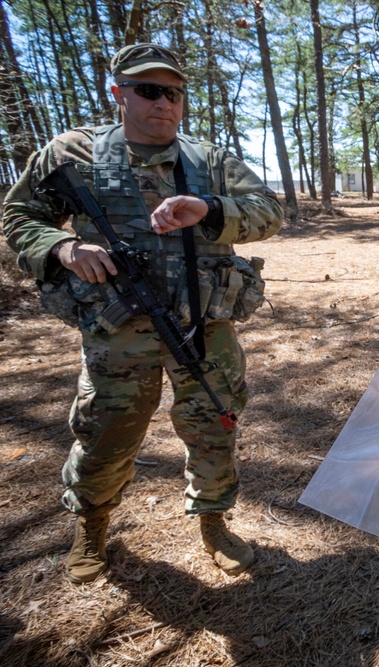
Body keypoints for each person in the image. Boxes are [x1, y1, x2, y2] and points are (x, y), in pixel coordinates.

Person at [2, 43, 283, 583]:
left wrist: (210, 209)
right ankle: (91, 524)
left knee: (214, 426)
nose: (164, 103)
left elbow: (269, 212)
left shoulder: (208, 161)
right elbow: (20, 216)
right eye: (149, 90)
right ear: (119, 94)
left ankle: (213, 521)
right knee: (106, 430)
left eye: (174, 92)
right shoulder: (74, 153)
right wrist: (64, 250)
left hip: (202, 326)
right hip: (117, 328)